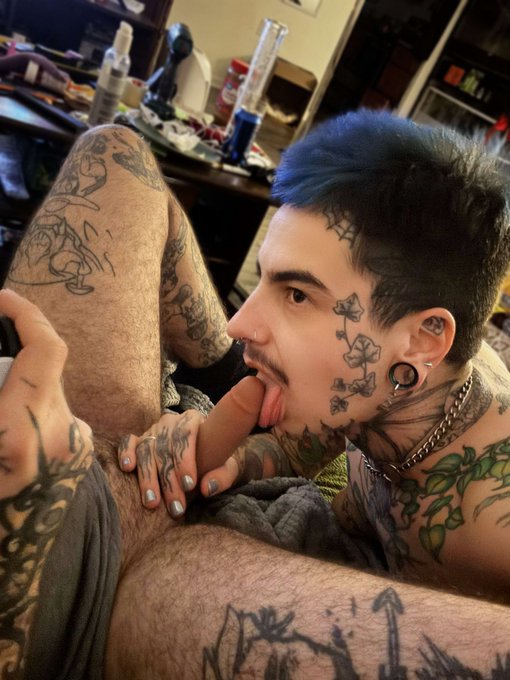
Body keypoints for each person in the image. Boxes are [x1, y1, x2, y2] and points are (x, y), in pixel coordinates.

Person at [1, 113, 510, 679]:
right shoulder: (387, 388)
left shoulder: (491, 523)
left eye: (297, 295)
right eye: (266, 278)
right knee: (111, 149)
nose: (238, 322)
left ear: (422, 340)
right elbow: (310, 448)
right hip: (272, 424)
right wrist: (238, 459)